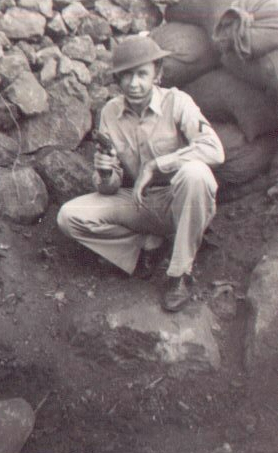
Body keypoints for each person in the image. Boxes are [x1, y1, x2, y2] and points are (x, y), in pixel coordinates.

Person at [57, 35, 225, 312]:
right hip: (139, 203)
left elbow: (214, 150)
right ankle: (145, 246)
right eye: (126, 76)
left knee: (196, 173)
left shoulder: (178, 102)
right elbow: (109, 188)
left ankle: (179, 273)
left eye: (141, 74)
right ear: (118, 79)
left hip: (180, 202)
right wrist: (105, 172)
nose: (133, 83)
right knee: (69, 216)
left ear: (157, 74)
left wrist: (156, 165)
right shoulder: (110, 112)